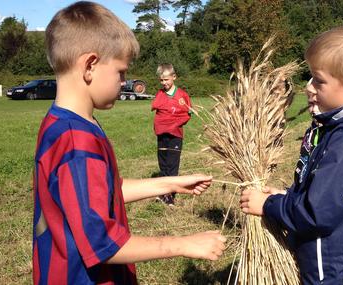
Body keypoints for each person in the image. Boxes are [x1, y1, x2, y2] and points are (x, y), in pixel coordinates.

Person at [33, 2, 226, 284]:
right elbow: (103, 244)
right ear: (90, 65)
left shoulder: (63, 124)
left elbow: (104, 193)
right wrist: (184, 244)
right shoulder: (76, 142)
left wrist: (170, 183)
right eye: (121, 72)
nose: (125, 82)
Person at [239, 22, 343, 284]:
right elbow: (325, 189)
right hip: (323, 265)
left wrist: (268, 206)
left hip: (341, 273)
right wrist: (288, 196)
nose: (309, 87)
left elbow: (319, 213)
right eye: (310, 77)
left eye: (319, 81)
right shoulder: (333, 128)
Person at [151, 64, 193, 205]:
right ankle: (163, 192)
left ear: (174, 77)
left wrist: (174, 123)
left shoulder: (182, 95)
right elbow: (158, 112)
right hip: (162, 134)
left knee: (172, 164)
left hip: (175, 134)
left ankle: (170, 197)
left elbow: (187, 113)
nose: (164, 83)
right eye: (161, 80)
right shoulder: (160, 94)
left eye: (166, 80)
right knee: (163, 164)